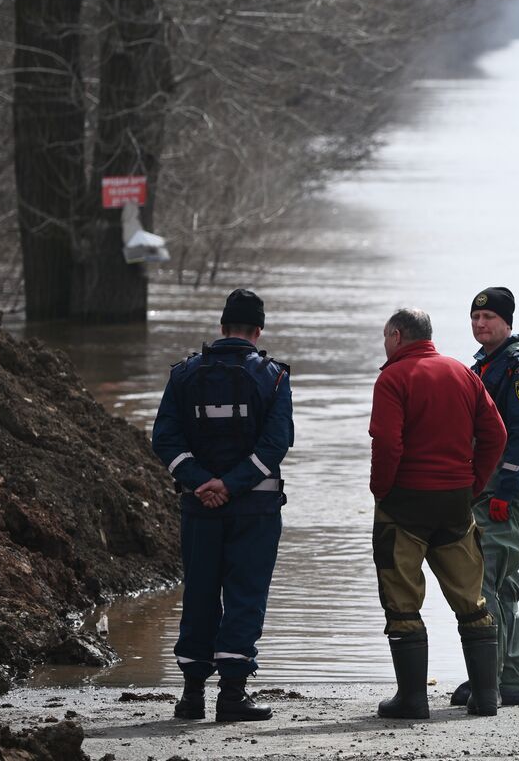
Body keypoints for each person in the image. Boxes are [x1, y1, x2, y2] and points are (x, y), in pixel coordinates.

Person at [151, 288, 293, 723]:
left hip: (200, 509)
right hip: (255, 510)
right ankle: (232, 696)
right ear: (258, 330)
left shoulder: (183, 375)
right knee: (245, 596)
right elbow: (277, 443)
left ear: (222, 328)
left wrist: (202, 483)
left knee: (199, 593)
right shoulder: (272, 377)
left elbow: (165, 441)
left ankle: (191, 696)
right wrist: (231, 485)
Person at [368, 308, 508, 718]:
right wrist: (474, 483)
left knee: (402, 601)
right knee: (472, 600)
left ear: (396, 336)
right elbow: (496, 434)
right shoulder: (463, 373)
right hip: (454, 503)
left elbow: (387, 443)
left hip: (405, 504)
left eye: (385, 337)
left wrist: (382, 490)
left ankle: (412, 699)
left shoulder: (393, 377)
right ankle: (486, 697)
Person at [450, 287, 519, 708]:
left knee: (491, 579)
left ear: (507, 321)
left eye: (488, 317)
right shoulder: (487, 364)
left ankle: (499, 678)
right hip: (485, 486)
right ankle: (499, 674)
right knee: (495, 580)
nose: (480, 323)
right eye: (475, 317)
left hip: (504, 488)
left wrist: (505, 492)